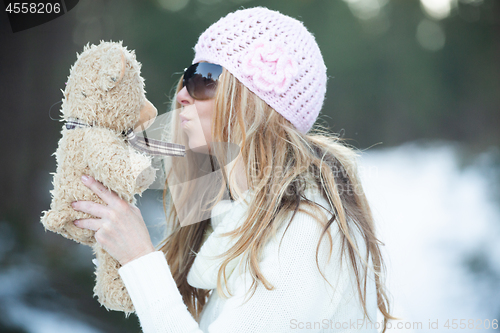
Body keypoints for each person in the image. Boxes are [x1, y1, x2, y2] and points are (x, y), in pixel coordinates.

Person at [72, 6, 395, 333]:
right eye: (188, 76)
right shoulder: (243, 221)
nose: (182, 94)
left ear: (254, 100)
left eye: (205, 77)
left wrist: (140, 257)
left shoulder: (307, 234)